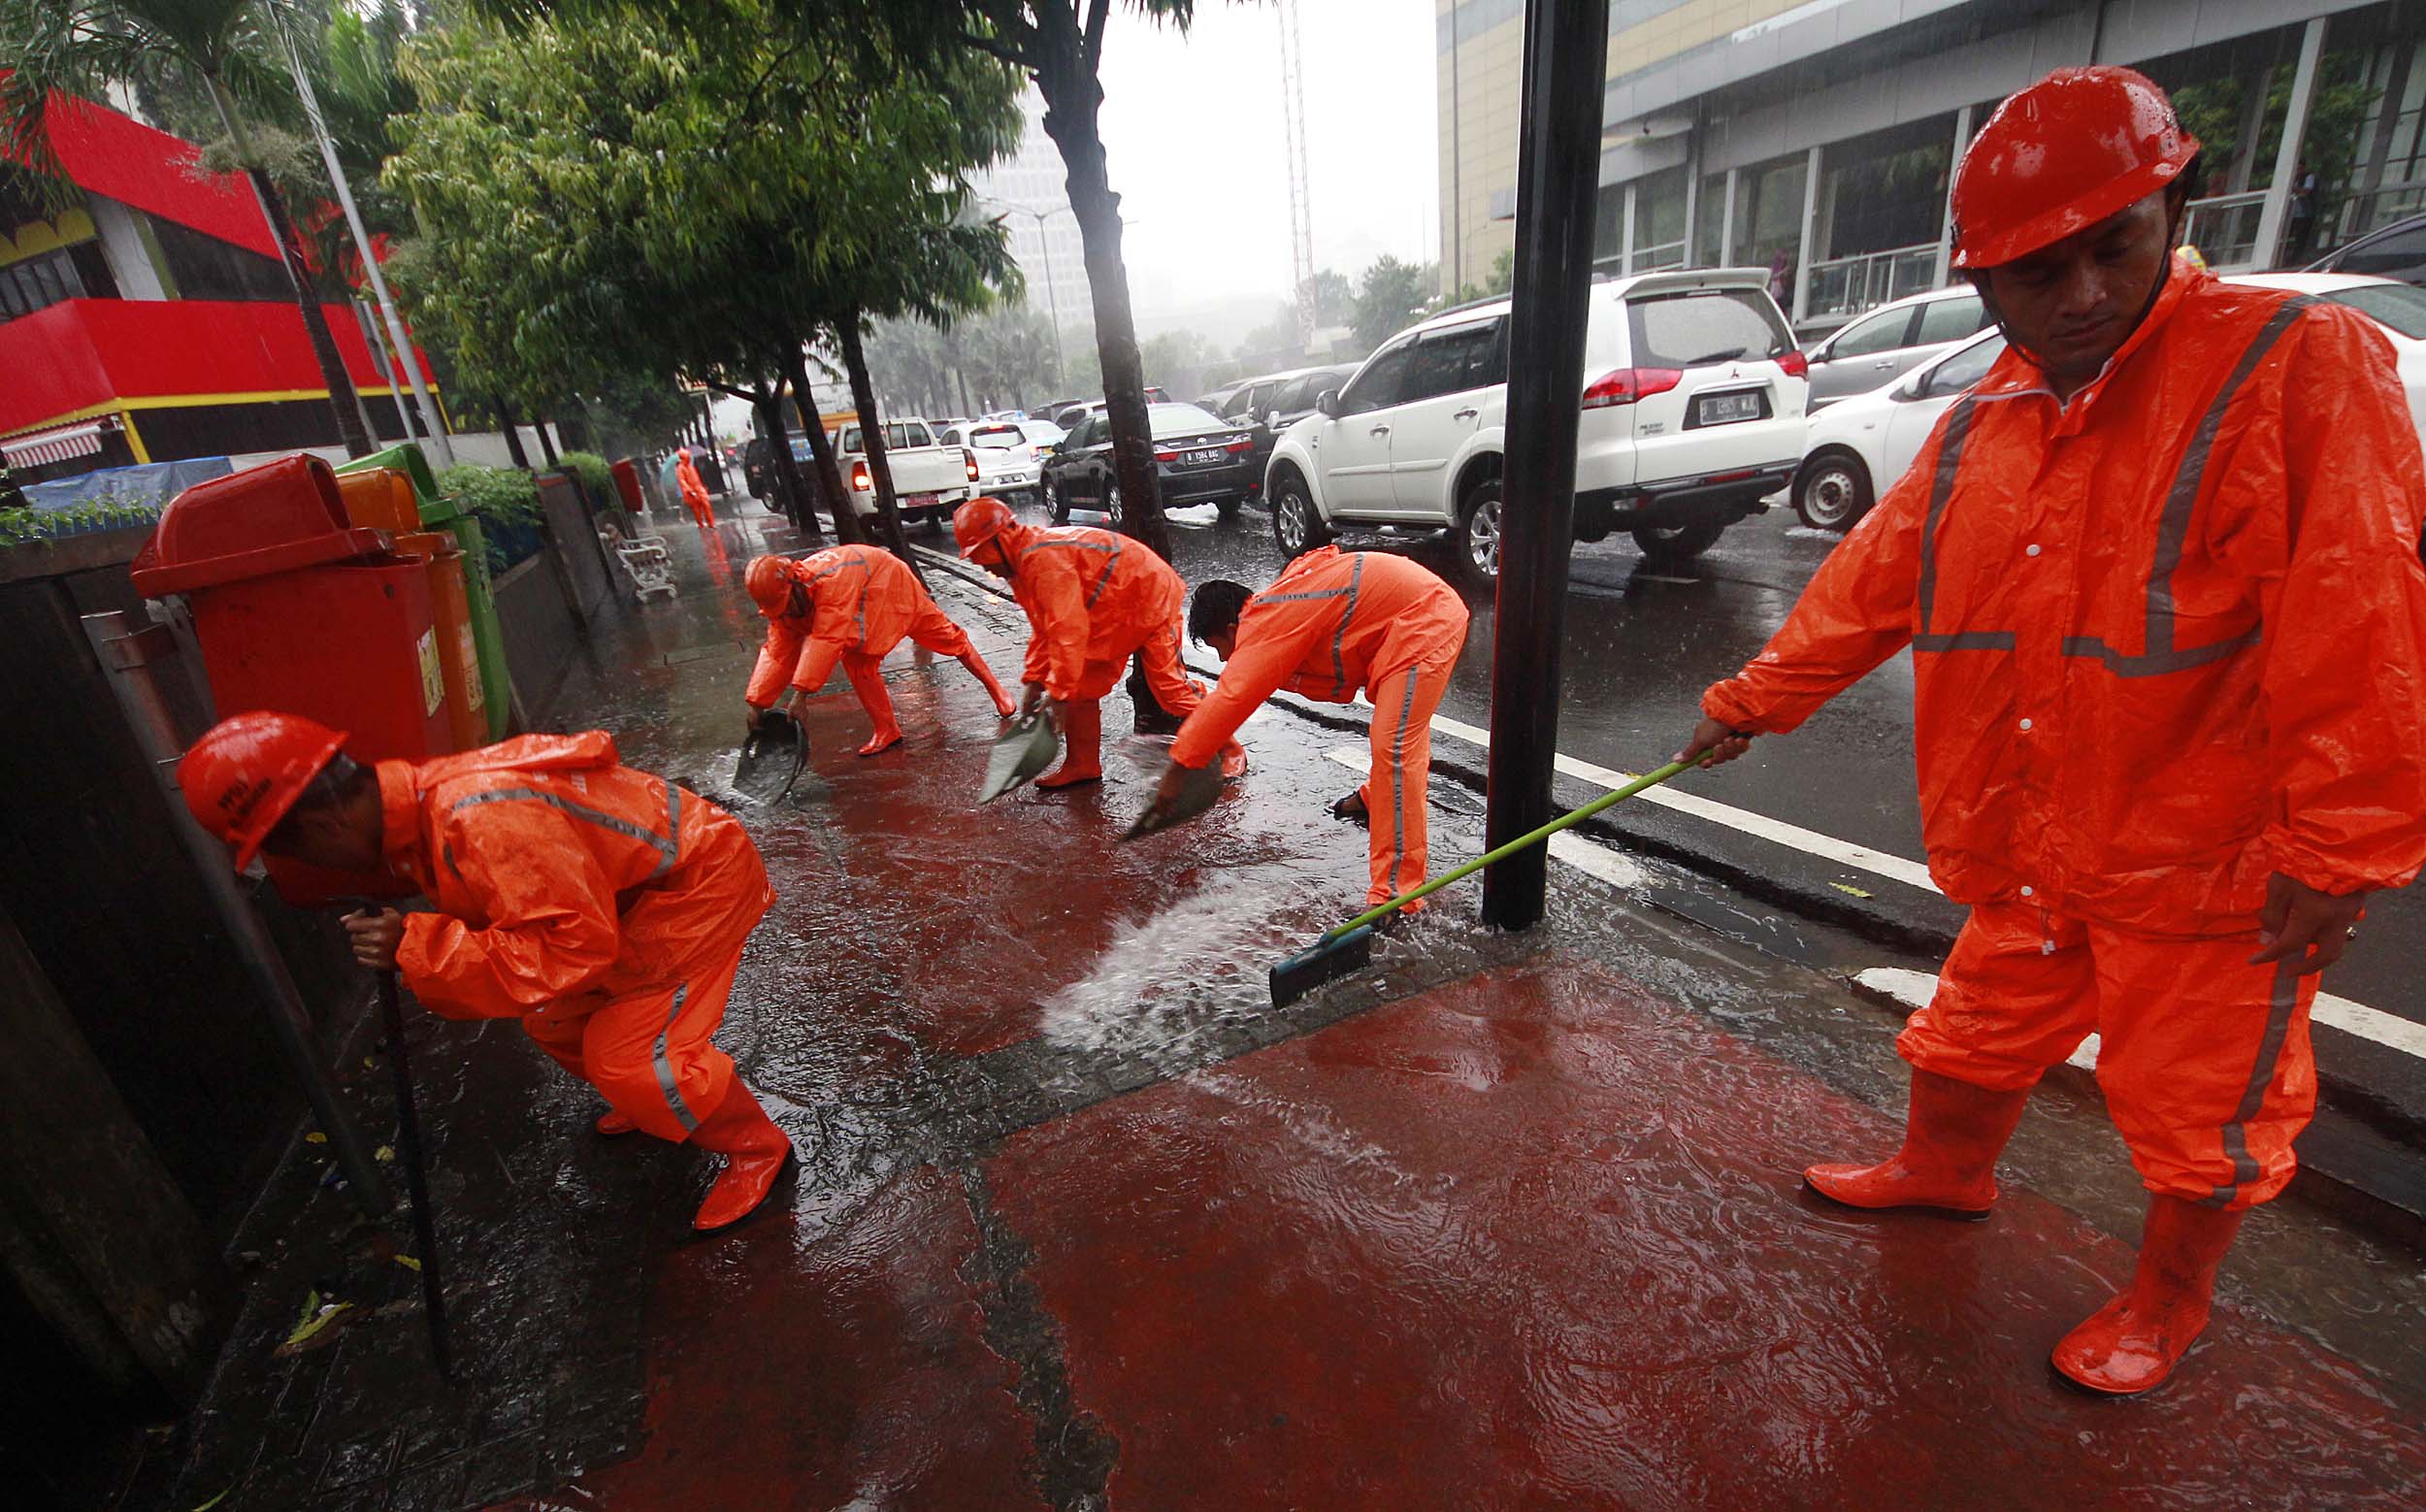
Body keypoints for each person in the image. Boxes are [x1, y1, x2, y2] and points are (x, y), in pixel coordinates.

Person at [1678, 67, 2426, 1396]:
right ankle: (1944, 1171)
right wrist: (1752, 701)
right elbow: (1872, 582)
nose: (2082, 293)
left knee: (2203, 1106)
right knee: (1969, 1026)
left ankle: (2168, 1302)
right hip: (2037, 835)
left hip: (2209, 864)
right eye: (2038, 271)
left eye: (2113, 247)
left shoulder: (2293, 365)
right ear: (1983, 285)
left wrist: (2341, 846)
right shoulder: (1990, 419)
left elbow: (2358, 607)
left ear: (2173, 213)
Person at [178, 712, 796, 1233]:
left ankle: (756, 1148)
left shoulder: (479, 816)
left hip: (693, 892)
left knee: (630, 1061)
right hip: (633, 901)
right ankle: (659, 1104)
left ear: (324, 825)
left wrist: (416, 946)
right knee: (555, 1024)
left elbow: (573, 948)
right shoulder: (426, 808)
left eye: (293, 851)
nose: (311, 865)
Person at [1145, 547, 1468, 908]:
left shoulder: (1266, 623)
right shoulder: (1279, 609)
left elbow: (1230, 699)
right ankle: (1375, 799)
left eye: (1220, 648)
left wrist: (1180, 768)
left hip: (1424, 620)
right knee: (1397, 733)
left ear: (1233, 628)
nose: (1224, 659)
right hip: (1411, 620)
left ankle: (1396, 895)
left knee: (1394, 747)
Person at [950, 496, 1238, 788]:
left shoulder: (1044, 561)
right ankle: (1082, 765)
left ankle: (1230, 749)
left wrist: (1057, 693)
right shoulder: (1020, 567)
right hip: (1111, 611)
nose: (980, 564)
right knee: (1080, 689)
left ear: (1000, 539)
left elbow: (1067, 631)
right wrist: (1035, 682)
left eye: (979, 554)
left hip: (1150, 596)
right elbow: (1044, 630)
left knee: (1172, 690)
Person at [744, 546, 1015, 756]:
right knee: (858, 662)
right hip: (864, 602)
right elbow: (778, 652)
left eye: (784, 605)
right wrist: (757, 704)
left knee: (948, 637)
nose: (784, 613)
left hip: (892, 584)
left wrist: (801, 696)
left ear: (794, 584)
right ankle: (886, 729)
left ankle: (997, 691)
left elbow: (826, 638)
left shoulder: (832, 582)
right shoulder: (785, 607)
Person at [676, 446, 716, 529]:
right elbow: (682, 481)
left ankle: (711, 523)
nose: (689, 458)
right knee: (696, 509)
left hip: (698, 488)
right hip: (691, 491)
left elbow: (696, 478)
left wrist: (702, 487)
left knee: (706, 505)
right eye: (688, 456)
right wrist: (690, 490)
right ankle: (700, 524)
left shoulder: (690, 466)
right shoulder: (680, 468)